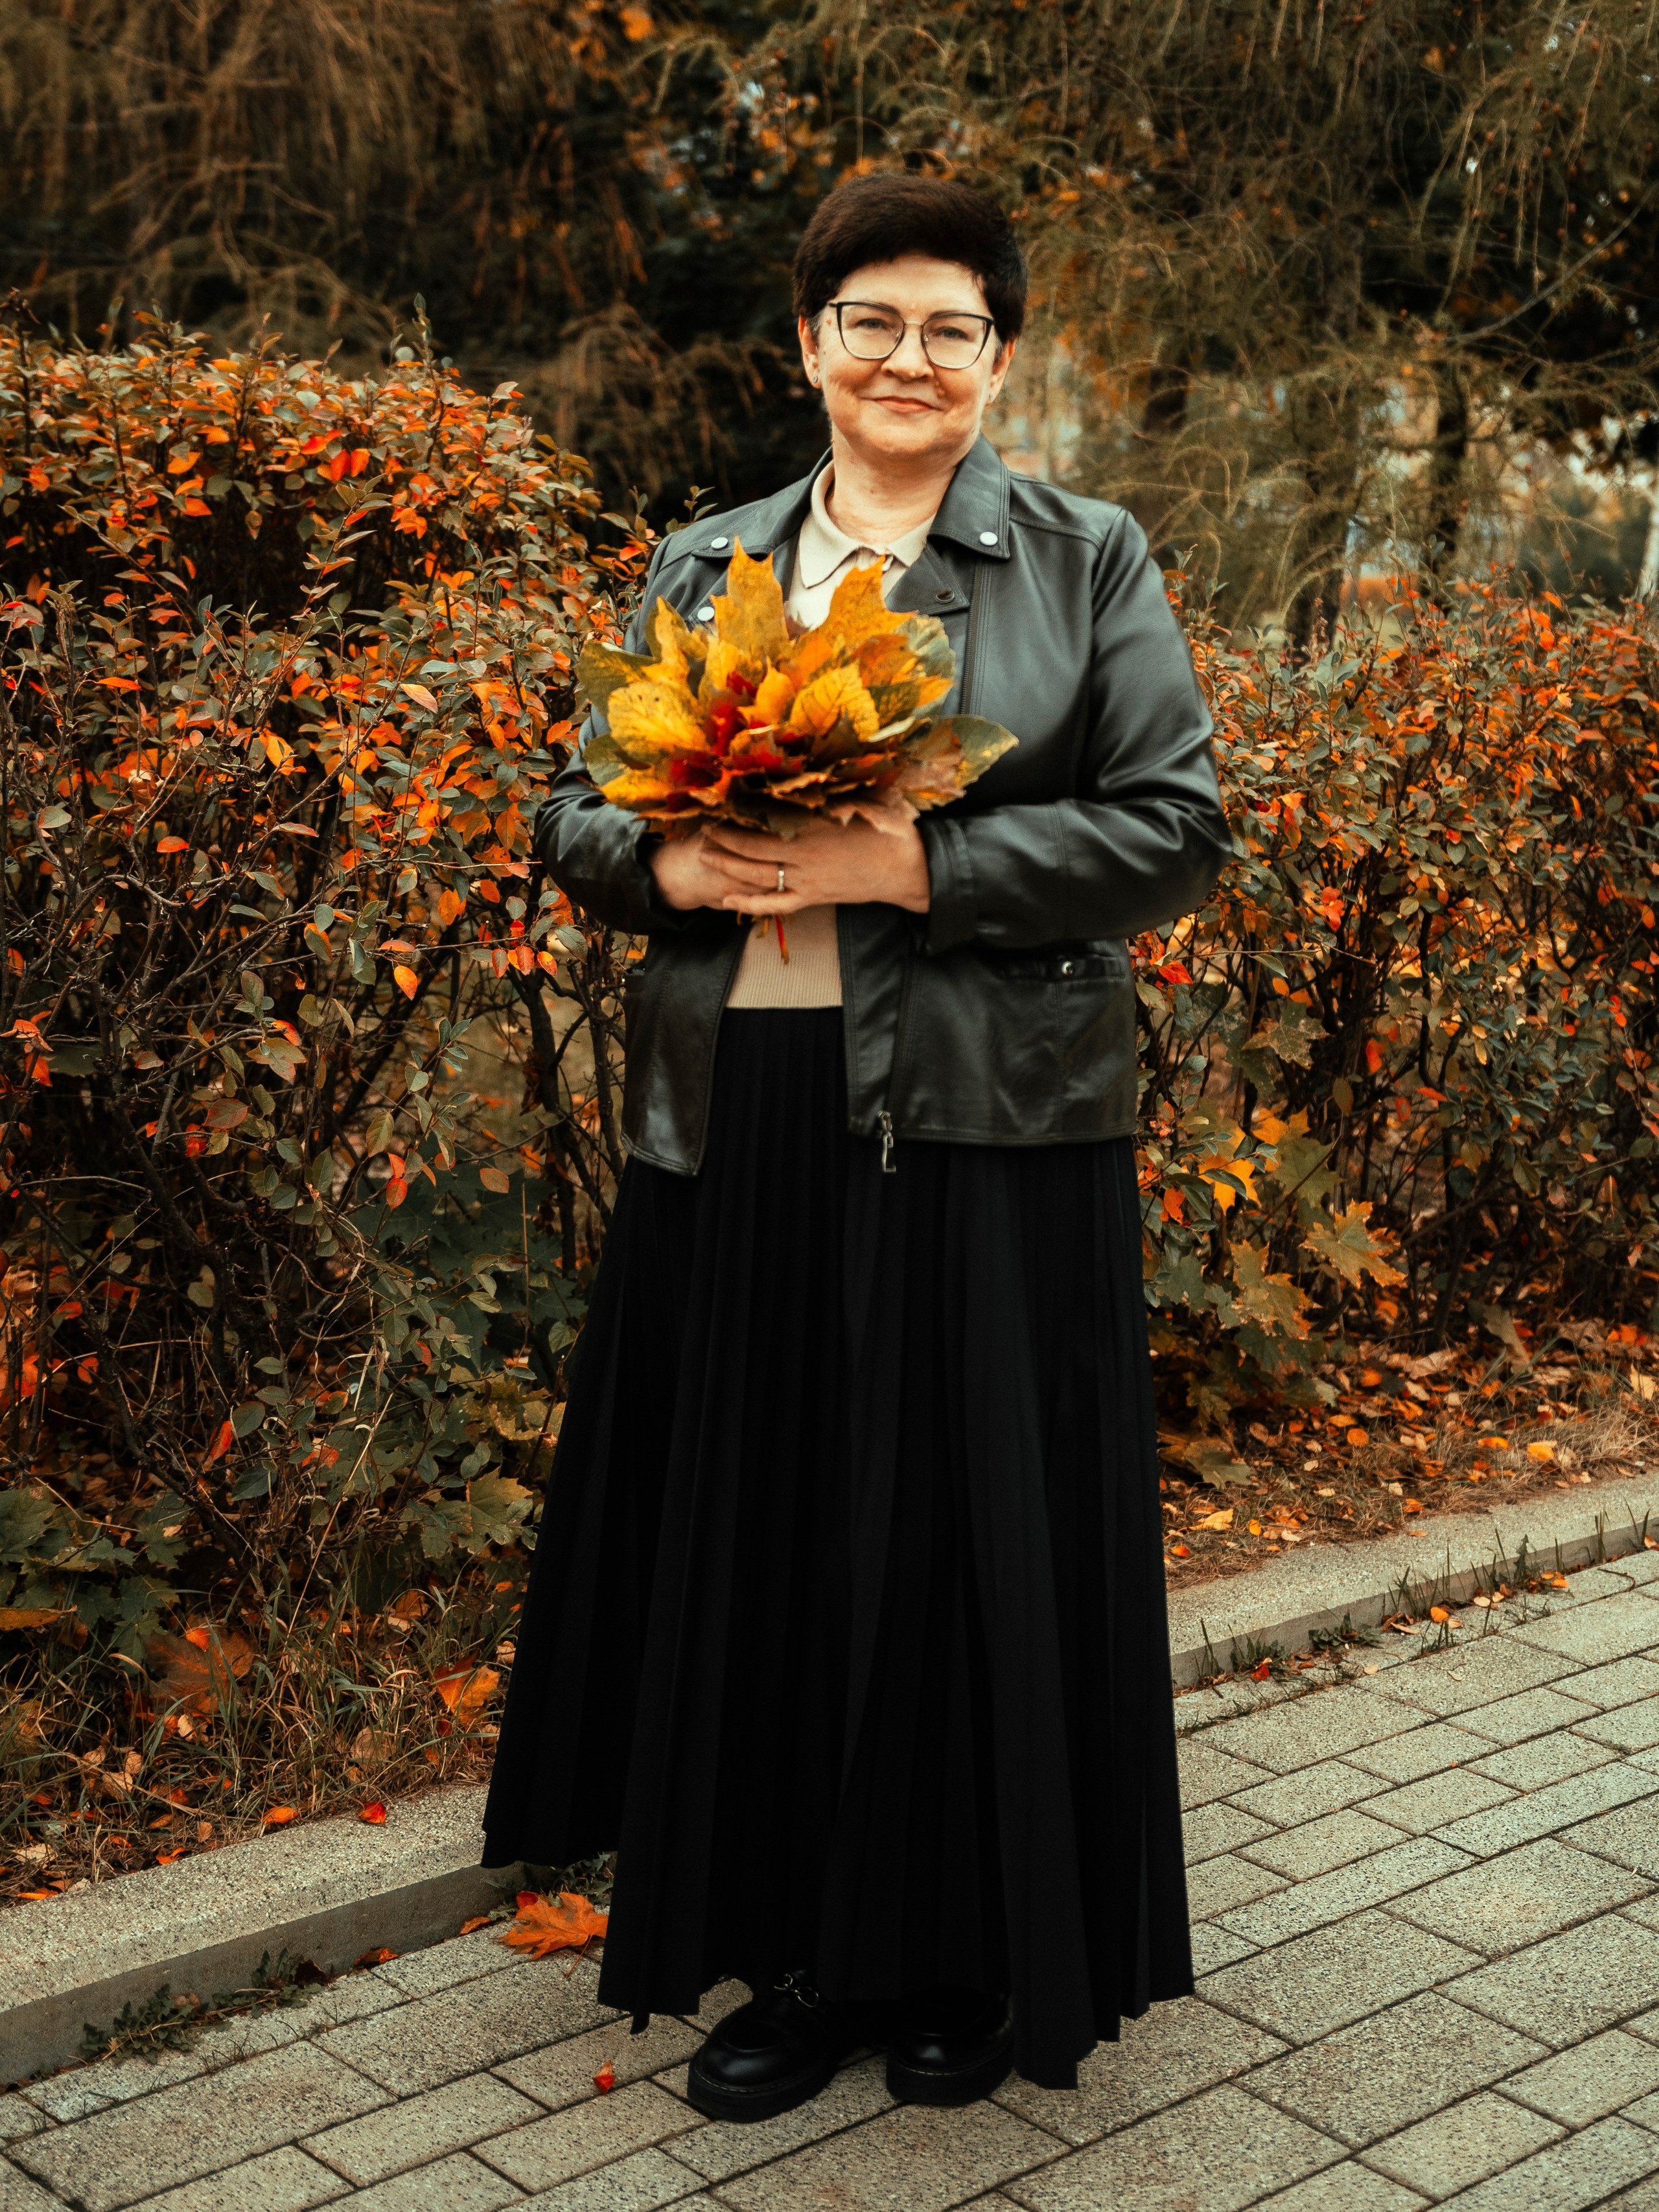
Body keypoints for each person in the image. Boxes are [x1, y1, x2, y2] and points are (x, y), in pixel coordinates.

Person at [483, 170, 1232, 2121]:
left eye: (954, 326)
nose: (913, 359)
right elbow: (569, 816)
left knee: (964, 1542)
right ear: (809, 343)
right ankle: (797, 1955)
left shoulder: (1085, 560)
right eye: (874, 322)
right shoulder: (704, 562)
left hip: (991, 1123)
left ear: (998, 357)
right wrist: (658, 858)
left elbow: (1175, 825)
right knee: (778, 1535)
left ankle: (971, 1947)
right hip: (743, 1125)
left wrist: (927, 857)